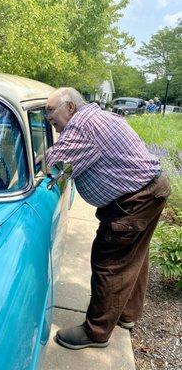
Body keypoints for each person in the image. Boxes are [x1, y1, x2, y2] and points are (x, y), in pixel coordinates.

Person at [44, 87, 170, 350]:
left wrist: (42, 157)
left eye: (51, 114)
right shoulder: (99, 117)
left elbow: (54, 166)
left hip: (132, 202)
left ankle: (96, 332)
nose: (49, 122)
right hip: (152, 190)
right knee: (134, 256)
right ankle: (126, 316)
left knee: (109, 262)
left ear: (70, 107)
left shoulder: (82, 125)